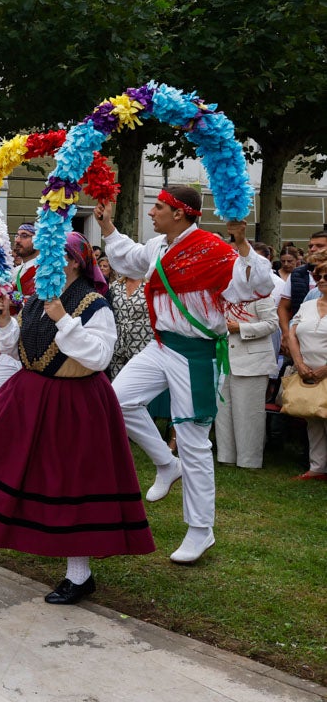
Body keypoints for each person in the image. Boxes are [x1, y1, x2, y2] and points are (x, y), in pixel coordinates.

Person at [0, 232, 153, 605]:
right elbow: (16, 349)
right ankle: (2, 523)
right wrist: (5, 319)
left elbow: (99, 357)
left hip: (76, 402)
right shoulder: (39, 297)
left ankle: (80, 575)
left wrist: (63, 320)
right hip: (32, 393)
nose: (43, 261)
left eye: (53, 255)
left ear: (74, 261)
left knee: (71, 485)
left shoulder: (95, 305)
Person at [96, 185, 275, 563]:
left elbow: (257, 286)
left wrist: (243, 245)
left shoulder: (213, 248)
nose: (151, 212)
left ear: (179, 212)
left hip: (196, 355)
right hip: (161, 346)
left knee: (194, 442)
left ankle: (200, 530)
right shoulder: (159, 245)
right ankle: (166, 463)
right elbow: (130, 259)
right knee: (116, 400)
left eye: (157, 207)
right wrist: (108, 225)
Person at [212, 290, 277, 469]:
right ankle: (226, 456)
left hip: (252, 361)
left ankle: (249, 461)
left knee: (248, 413)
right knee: (223, 411)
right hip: (224, 359)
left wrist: (241, 328)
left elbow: (272, 324)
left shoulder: (261, 296)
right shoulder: (222, 295)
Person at [0, 223, 39, 401]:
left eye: (25, 235)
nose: (18, 239)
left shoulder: (44, 271)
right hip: (12, 338)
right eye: (17, 235)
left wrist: (15, 298)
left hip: (34, 341)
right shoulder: (15, 271)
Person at [282, 261, 327, 481]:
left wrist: (324, 370)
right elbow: (292, 333)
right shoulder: (309, 305)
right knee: (314, 418)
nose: (321, 281)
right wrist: (299, 363)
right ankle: (317, 467)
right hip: (307, 372)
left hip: (324, 371)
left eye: (326, 276)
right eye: (319, 277)